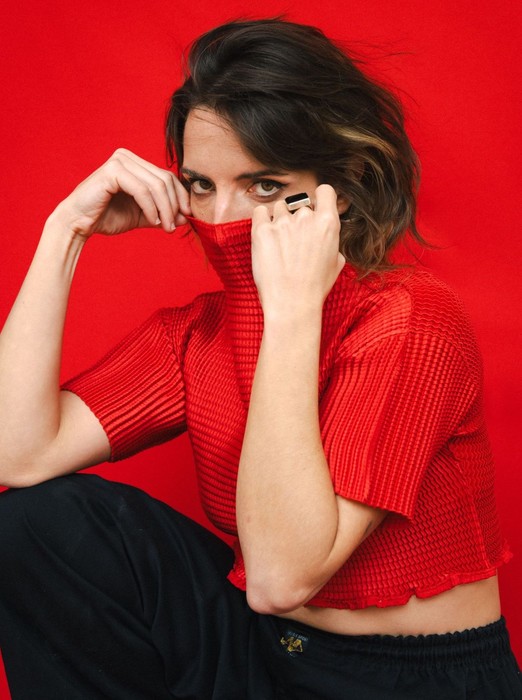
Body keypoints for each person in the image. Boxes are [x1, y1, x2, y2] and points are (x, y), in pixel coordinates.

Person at [0, 17, 520, 700]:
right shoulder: (200, 333)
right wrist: (64, 230)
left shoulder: (411, 320)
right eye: (201, 185)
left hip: (411, 679)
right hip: (269, 653)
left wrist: (292, 313)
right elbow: (16, 454)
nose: (222, 219)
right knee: (35, 523)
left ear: (342, 184)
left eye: (265, 185)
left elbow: (280, 578)